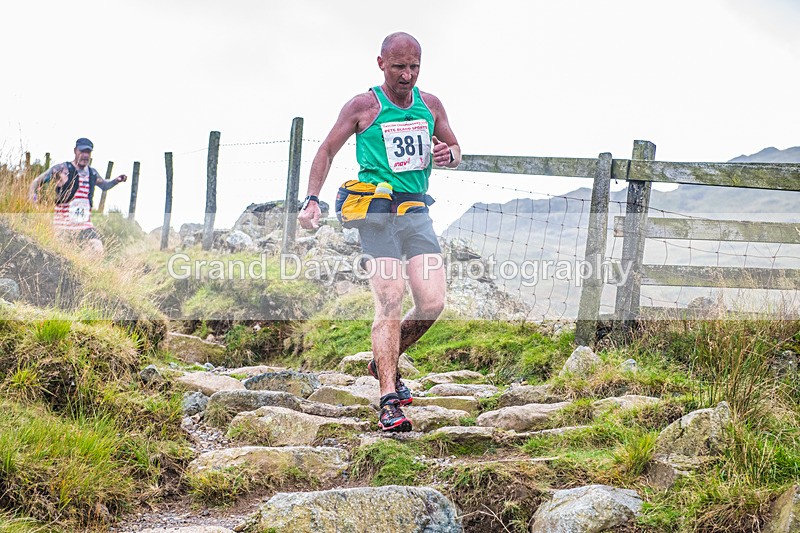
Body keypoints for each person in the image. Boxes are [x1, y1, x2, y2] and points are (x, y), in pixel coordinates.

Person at [297, 32, 461, 432]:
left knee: (433, 303)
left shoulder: (431, 105)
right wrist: (312, 199)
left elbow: (455, 150)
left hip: (416, 211)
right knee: (389, 297)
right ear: (381, 64)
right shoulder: (363, 106)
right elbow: (326, 151)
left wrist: (448, 154)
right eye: (399, 66)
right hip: (376, 212)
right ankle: (389, 397)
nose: (407, 75)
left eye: (414, 67)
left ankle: (381, 359)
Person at [29, 138, 127, 254]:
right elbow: (36, 182)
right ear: (75, 151)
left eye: (88, 152)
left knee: (97, 249)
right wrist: (32, 200)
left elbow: (104, 185)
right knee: (61, 257)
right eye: (82, 151)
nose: (85, 155)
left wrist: (117, 180)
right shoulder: (62, 169)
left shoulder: (92, 173)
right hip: (63, 226)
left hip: (84, 225)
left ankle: (81, 268)